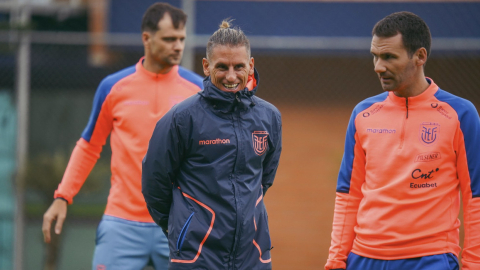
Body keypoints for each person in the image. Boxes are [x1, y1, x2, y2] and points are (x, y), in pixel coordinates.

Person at [42, 3, 203, 269]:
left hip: (179, 224)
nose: (178, 46)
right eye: (169, 39)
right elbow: (89, 146)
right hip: (122, 223)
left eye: (182, 39)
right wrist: (62, 197)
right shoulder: (113, 87)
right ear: (146, 38)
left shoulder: (198, 91)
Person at [325, 11, 480, 270]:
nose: (378, 66)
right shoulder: (362, 114)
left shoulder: (460, 115)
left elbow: (475, 196)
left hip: (430, 259)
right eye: (375, 56)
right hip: (364, 258)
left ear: (420, 56)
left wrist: (474, 265)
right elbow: (348, 194)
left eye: (389, 57)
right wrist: (336, 260)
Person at [142, 20, 282, 270]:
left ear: (251, 66)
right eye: (222, 67)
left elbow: (264, 178)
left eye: (239, 66)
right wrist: (182, 226)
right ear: (206, 66)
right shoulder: (181, 118)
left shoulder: (269, 117)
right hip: (196, 255)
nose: (231, 76)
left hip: (254, 253)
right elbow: (154, 183)